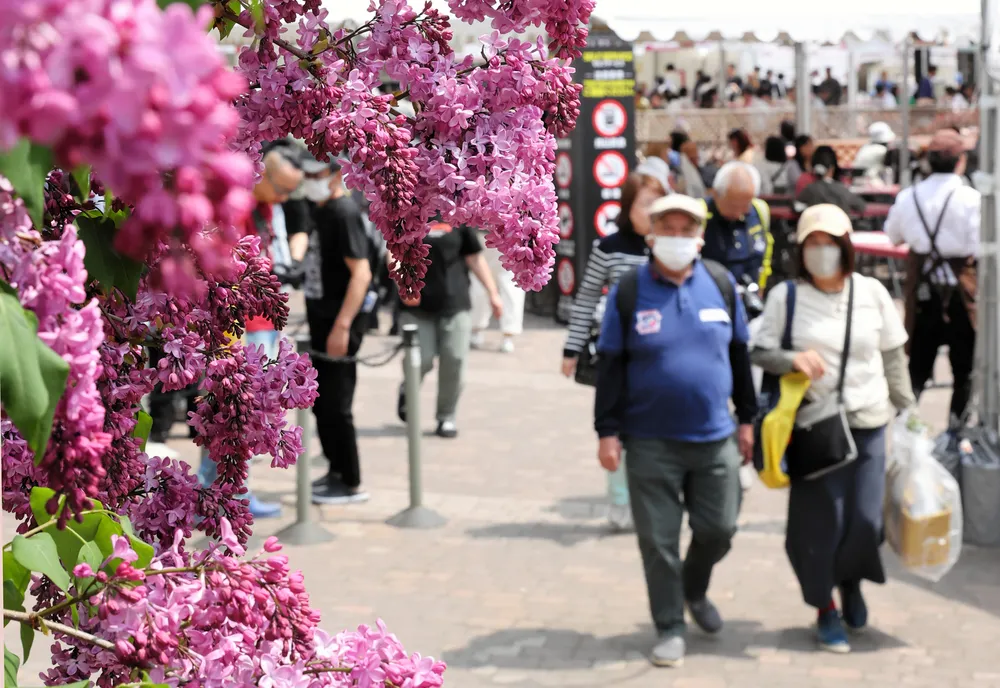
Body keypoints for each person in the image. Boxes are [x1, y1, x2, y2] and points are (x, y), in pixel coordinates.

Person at [595, 194, 756, 668]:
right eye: (668, 228)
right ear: (651, 234)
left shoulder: (721, 284)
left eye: (687, 230)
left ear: (700, 237)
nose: (678, 238)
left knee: (719, 528)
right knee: (659, 542)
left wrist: (748, 420)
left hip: (715, 437)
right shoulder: (629, 290)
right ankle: (669, 625)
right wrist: (607, 431)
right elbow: (611, 364)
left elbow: (740, 356)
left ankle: (694, 589)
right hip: (650, 441)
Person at [751, 203, 915, 653]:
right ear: (801, 249)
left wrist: (910, 411)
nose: (822, 252)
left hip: (868, 422)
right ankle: (824, 606)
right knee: (819, 526)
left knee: (865, 520)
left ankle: (851, 582)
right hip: (815, 428)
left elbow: (892, 357)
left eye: (830, 243)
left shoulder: (872, 292)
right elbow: (760, 350)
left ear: (846, 247)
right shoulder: (785, 297)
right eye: (813, 244)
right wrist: (792, 359)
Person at [562, 170, 668, 530]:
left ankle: (655, 495)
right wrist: (572, 349)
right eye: (645, 204)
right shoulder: (608, 248)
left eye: (658, 203)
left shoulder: (672, 246)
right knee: (617, 428)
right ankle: (621, 499)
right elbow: (586, 299)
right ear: (627, 207)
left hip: (662, 355)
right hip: (619, 355)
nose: (652, 211)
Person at [885, 129, 980, 431]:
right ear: (960, 161)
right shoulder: (971, 199)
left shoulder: (908, 197)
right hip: (962, 294)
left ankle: (907, 431)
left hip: (923, 294)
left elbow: (893, 235)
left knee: (916, 369)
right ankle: (955, 433)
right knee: (964, 370)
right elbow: (980, 247)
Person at [300, 154, 374, 505]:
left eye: (316, 174)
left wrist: (342, 326)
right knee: (322, 404)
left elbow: (362, 274)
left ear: (333, 175)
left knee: (337, 404)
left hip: (339, 324)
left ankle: (350, 480)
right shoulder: (320, 210)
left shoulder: (344, 213)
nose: (309, 180)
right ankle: (334, 469)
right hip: (321, 322)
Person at [396, 221, 502, 439]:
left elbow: (474, 258)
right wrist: (404, 283)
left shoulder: (458, 216)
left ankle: (446, 416)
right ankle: (408, 389)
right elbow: (393, 252)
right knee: (420, 360)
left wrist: (493, 293)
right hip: (417, 306)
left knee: (454, 358)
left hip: (455, 302)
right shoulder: (407, 211)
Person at [699, 161, 774, 292]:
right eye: (733, 206)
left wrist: (761, 286)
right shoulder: (699, 213)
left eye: (746, 205)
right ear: (715, 194)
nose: (739, 213)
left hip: (750, 293)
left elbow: (766, 250)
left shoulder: (759, 210)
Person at [469, 237, 525, 353]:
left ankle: (507, 334)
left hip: (511, 236)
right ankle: (477, 328)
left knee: (510, 284)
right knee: (480, 281)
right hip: (484, 235)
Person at [797, 146, 866, 215]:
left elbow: (797, 207)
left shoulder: (809, 189)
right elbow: (861, 206)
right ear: (832, 168)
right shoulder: (841, 189)